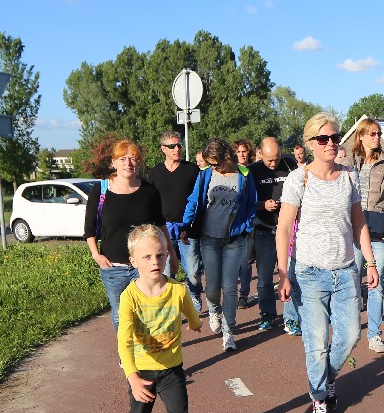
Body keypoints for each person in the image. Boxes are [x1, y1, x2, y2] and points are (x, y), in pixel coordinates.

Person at [276, 113, 379, 413]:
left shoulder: (349, 177)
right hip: (309, 273)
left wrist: (370, 261)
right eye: (323, 139)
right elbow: (283, 229)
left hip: (346, 270)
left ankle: (327, 377)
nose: (331, 143)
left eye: (334, 137)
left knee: (349, 336)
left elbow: (359, 222)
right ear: (310, 144)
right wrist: (283, 273)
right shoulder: (299, 179)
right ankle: (319, 398)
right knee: (317, 341)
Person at [116, 225, 215, 413]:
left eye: (160, 255)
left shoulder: (177, 290)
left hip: (172, 371)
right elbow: (124, 342)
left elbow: (191, 313)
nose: (155, 262)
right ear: (133, 261)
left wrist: (196, 324)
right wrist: (133, 378)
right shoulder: (129, 297)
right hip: (142, 373)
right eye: (146, 257)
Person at [84, 138, 173, 331]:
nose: (128, 163)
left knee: (147, 312)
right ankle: (126, 349)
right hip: (113, 267)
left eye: (133, 159)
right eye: (123, 159)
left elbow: (160, 226)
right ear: (114, 162)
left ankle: (146, 347)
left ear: (139, 163)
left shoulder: (149, 191)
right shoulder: (101, 191)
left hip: (145, 265)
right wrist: (96, 255)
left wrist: (171, 255)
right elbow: (89, 228)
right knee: (120, 314)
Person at [181, 138, 257, 352]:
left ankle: (229, 332)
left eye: (216, 163)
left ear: (226, 156)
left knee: (230, 287)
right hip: (209, 238)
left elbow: (251, 204)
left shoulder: (244, 174)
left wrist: (246, 227)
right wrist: (186, 224)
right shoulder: (206, 175)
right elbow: (194, 200)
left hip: (234, 239)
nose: (213, 167)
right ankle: (214, 309)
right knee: (213, 287)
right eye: (210, 164)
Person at [349, 118, 384, 353]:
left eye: (378, 133)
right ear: (360, 136)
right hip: (353, 228)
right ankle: (350, 330)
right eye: (372, 133)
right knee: (352, 281)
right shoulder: (349, 162)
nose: (376, 137)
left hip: (379, 228)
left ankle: (374, 335)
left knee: (375, 282)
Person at [148, 130, 203, 312]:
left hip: (188, 229)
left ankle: (194, 294)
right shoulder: (154, 173)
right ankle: (169, 305)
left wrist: (195, 223)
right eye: (172, 146)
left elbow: (200, 198)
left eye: (179, 145)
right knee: (166, 272)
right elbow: (150, 201)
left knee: (193, 272)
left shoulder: (191, 169)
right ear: (163, 149)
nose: (177, 149)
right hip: (163, 229)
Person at [250, 136, 296, 332]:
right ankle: (267, 313)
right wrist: (263, 205)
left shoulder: (290, 164)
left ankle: (292, 317)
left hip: (289, 230)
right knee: (265, 277)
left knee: (291, 274)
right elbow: (246, 202)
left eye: (276, 159)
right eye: (269, 160)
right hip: (265, 228)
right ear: (260, 154)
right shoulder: (253, 171)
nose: (273, 163)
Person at [233, 139, 257, 308]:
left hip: (250, 222)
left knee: (245, 261)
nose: (241, 154)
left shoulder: (253, 171)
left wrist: (249, 223)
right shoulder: (230, 171)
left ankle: (244, 294)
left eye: (244, 151)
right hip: (233, 224)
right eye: (238, 152)